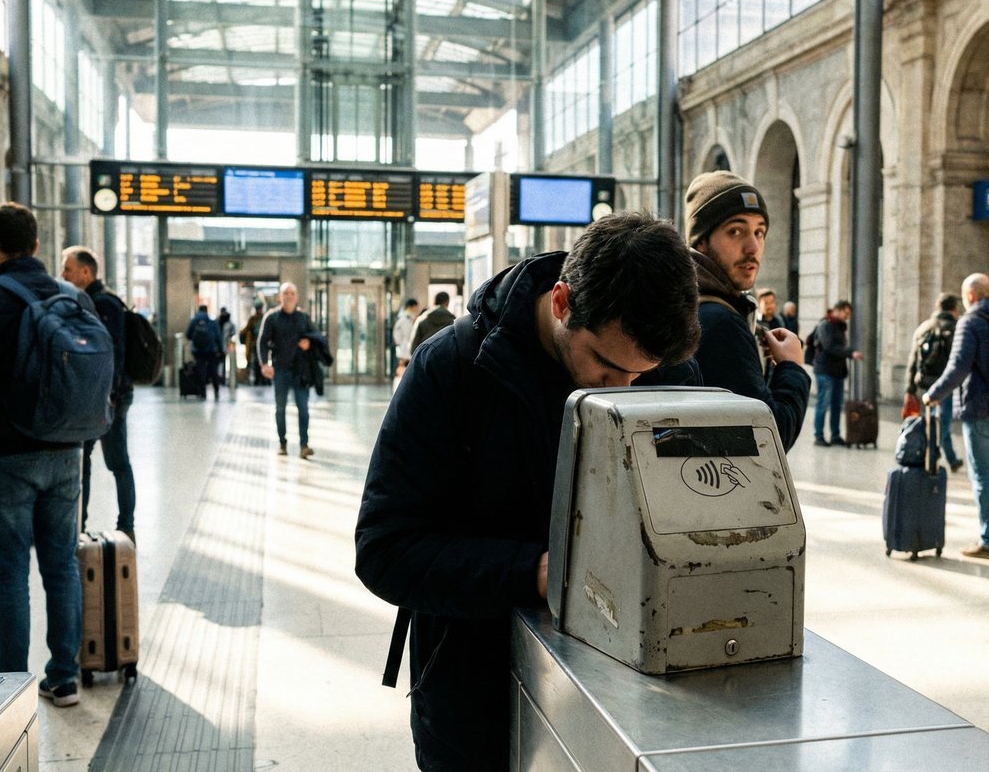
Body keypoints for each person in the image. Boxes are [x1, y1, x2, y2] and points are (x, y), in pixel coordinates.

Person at [355, 212, 702, 771]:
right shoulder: (453, 369)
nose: (624, 390)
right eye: (608, 368)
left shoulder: (661, 370)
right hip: (473, 700)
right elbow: (384, 550)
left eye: (643, 375)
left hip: (622, 693)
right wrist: (536, 572)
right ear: (562, 302)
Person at [0, 202, 84, 707]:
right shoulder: (70, 296)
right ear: (39, 246)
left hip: (5, 457)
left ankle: (11, 686)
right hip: (68, 451)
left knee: (8, 572)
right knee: (62, 566)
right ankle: (64, 677)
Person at [683, 170, 809, 452]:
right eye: (735, 231)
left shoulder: (684, 303)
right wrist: (792, 367)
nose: (753, 247)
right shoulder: (721, 322)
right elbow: (769, 437)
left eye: (759, 232)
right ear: (701, 241)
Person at [923, 273, 989, 561]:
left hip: (981, 411)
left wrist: (934, 394)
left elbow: (958, 366)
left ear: (970, 296)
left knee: (983, 477)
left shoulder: (971, 322)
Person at [61, 245, 138, 543]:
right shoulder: (90, 300)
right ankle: (83, 524)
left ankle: (124, 524)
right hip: (99, 394)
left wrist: (110, 395)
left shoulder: (102, 303)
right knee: (90, 461)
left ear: (85, 272)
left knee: (115, 461)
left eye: (67, 269)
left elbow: (113, 351)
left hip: (108, 396)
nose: (63, 274)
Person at [903, 293, 964, 473]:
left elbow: (912, 360)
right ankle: (947, 458)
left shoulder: (924, 328)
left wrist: (909, 389)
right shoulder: (955, 328)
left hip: (925, 383)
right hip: (946, 384)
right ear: (953, 309)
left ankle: (933, 453)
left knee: (929, 421)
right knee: (942, 423)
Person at [258, 282, 317, 459]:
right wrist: (264, 364)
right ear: (280, 297)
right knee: (280, 408)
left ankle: (304, 445)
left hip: (300, 372)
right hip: (280, 371)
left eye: (292, 293)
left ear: (297, 296)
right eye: (286, 293)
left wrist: (310, 343)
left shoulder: (303, 318)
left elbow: (316, 337)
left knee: (303, 409)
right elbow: (262, 342)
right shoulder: (272, 317)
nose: (289, 296)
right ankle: (282, 443)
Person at [811, 300, 863, 447]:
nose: (847, 317)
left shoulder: (839, 326)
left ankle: (835, 435)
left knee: (836, 405)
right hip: (825, 371)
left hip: (837, 372)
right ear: (837, 310)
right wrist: (850, 352)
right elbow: (829, 347)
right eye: (846, 313)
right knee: (823, 404)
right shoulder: (825, 325)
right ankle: (819, 436)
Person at [186, 304, 222, 400]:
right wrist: (221, 349)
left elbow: (188, 335)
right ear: (206, 311)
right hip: (211, 350)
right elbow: (218, 337)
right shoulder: (212, 322)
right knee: (213, 370)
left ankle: (203, 392)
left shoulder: (194, 321)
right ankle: (216, 390)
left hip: (198, 350)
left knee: (201, 370)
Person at [240, 301, 267, 385]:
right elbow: (246, 330)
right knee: (257, 362)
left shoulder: (262, 318)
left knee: (260, 362)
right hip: (256, 344)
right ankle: (261, 379)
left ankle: (262, 379)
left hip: (260, 344)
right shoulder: (255, 319)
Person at [393, 298, 420, 377]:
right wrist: (400, 343)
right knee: (402, 368)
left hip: (408, 347)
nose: (417, 309)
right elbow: (397, 332)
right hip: (404, 347)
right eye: (416, 307)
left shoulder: (411, 317)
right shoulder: (403, 317)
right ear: (410, 307)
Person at [216, 306, 237, 385]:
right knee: (220, 363)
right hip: (219, 346)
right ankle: (220, 378)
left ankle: (222, 379)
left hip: (223, 346)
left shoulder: (224, 322)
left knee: (222, 362)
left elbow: (233, 332)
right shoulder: (220, 321)